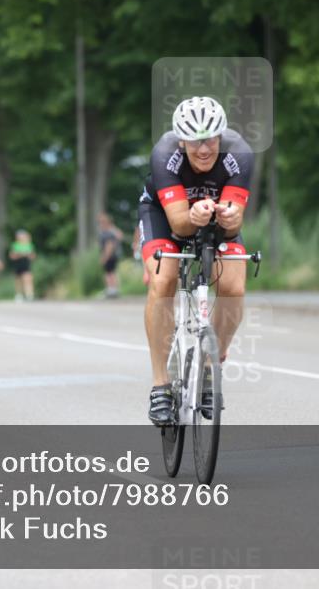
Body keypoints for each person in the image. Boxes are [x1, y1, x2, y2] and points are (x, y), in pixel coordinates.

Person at [139, 96, 254, 425]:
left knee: (233, 285)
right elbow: (178, 223)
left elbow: (236, 216)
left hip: (214, 221)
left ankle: (209, 365)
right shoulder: (165, 154)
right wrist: (191, 214)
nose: (204, 150)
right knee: (164, 280)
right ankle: (160, 385)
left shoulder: (239, 153)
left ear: (222, 135)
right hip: (164, 215)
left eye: (211, 140)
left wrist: (231, 219)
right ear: (181, 140)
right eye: (195, 142)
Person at [97, 213, 123, 298]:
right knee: (111, 272)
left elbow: (109, 245)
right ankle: (112, 289)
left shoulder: (108, 232)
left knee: (109, 273)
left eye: (101, 222)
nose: (100, 224)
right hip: (113, 255)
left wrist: (105, 257)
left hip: (110, 255)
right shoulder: (109, 231)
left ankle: (112, 290)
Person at [9, 229, 36, 301]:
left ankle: (29, 294)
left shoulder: (29, 245)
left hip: (26, 264)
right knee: (18, 280)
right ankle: (19, 295)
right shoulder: (15, 245)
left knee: (28, 279)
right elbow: (12, 256)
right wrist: (20, 254)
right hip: (18, 264)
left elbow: (33, 256)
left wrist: (28, 255)